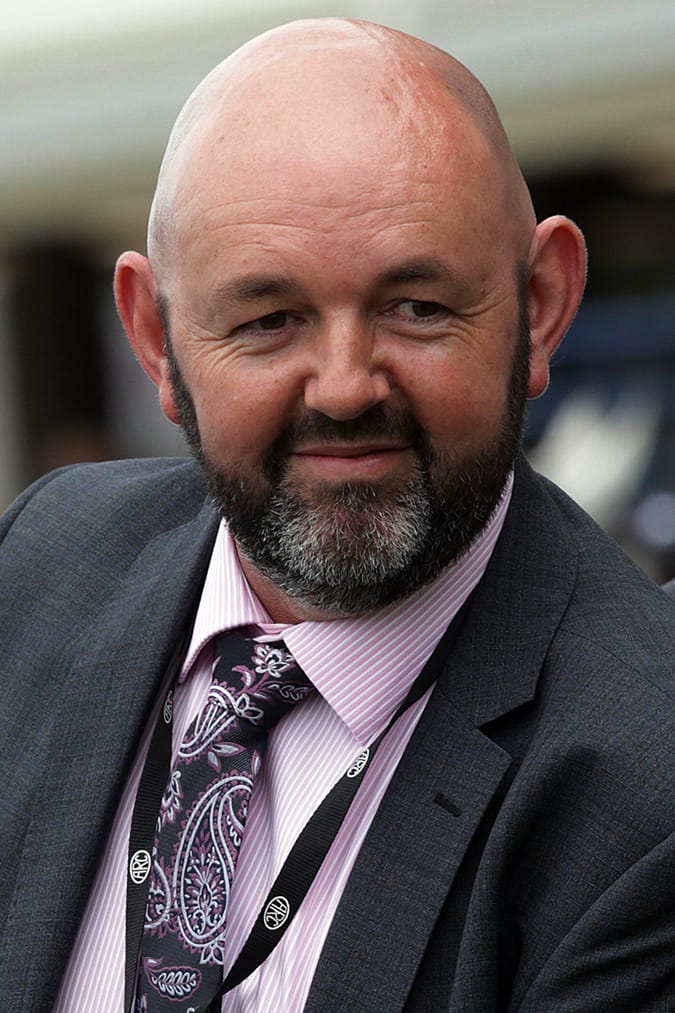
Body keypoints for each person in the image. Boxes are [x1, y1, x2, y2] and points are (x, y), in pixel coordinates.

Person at [0, 18, 673, 1013]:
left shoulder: (644, 780)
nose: (347, 386)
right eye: (269, 320)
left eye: (416, 306)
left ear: (540, 304)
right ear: (154, 337)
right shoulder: (42, 566)